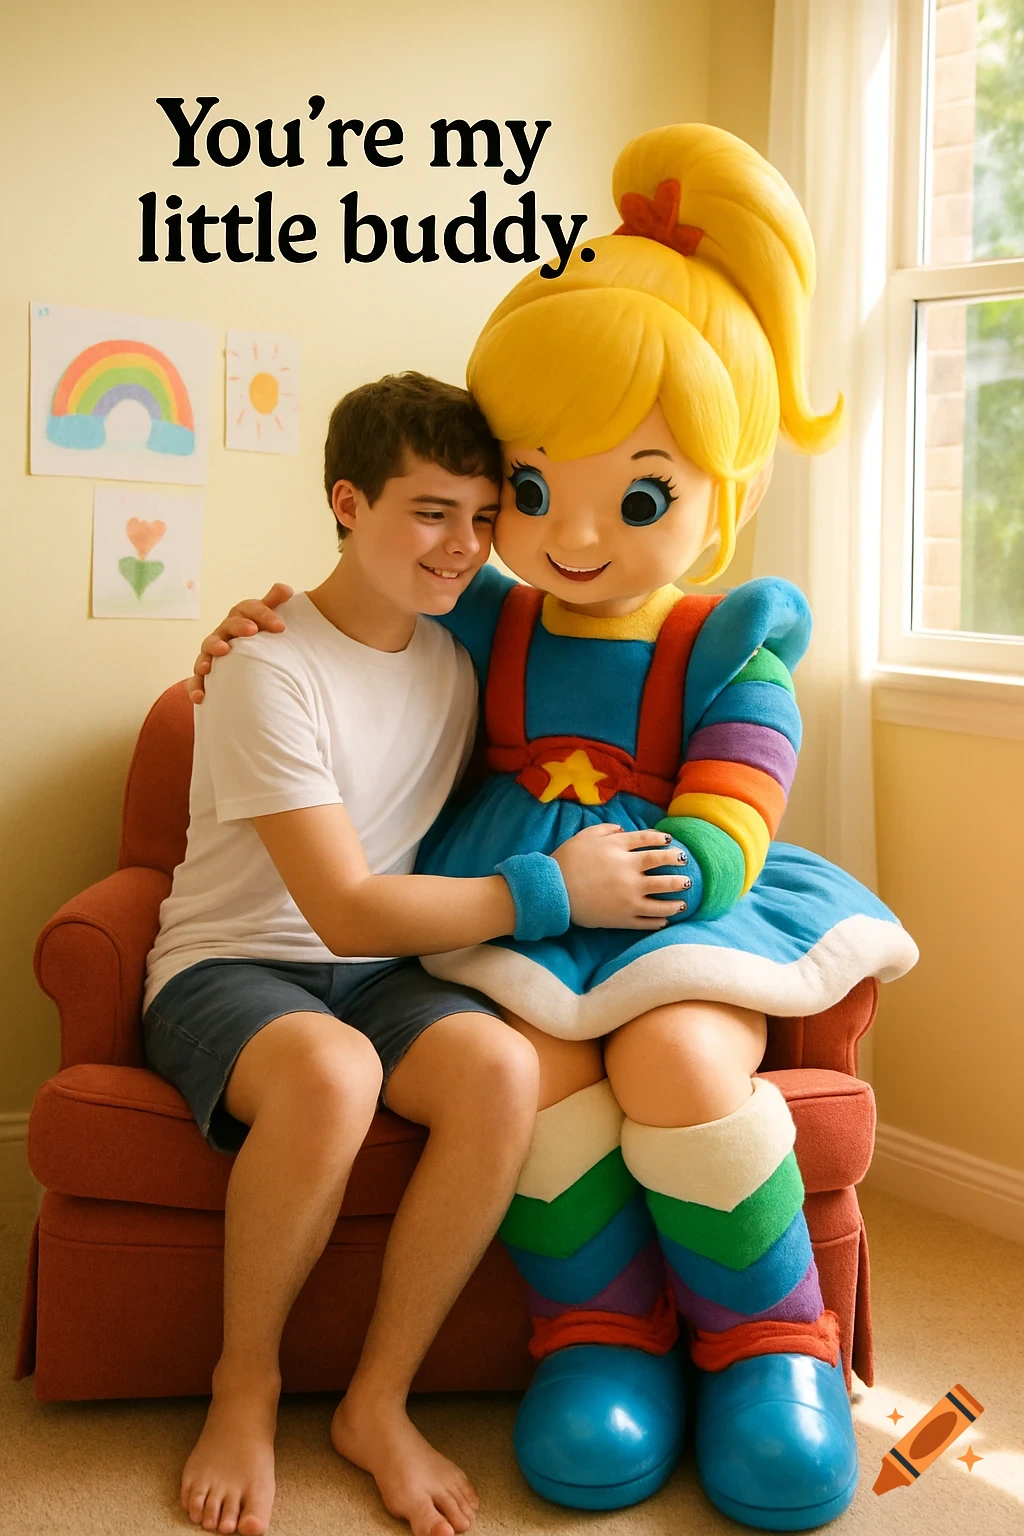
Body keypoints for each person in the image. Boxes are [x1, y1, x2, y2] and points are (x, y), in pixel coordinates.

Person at [193, 126, 919, 1531]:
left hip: (662, 894)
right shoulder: (480, 604)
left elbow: (741, 785)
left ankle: (773, 1345)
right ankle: (602, 1336)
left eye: (637, 495)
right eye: (531, 490)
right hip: (517, 900)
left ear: (726, 489)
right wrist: (246, 619)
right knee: (528, 1074)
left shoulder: (731, 633)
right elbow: (362, 594)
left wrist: (683, 863)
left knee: (678, 1055)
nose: (555, 531)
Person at [144, 372, 688, 1536]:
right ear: (347, 501)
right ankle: (245, 1386)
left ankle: (375, 1403)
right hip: (233, 962)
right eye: (431, 511)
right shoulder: (264, 666)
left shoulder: (468, 649)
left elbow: (637, 617)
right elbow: (339, 911)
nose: (464, 548)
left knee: (499, 1073)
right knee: (332, 1075)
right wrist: (553, 890)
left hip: (384, 975)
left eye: (485, 516)